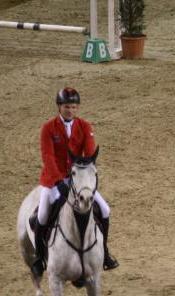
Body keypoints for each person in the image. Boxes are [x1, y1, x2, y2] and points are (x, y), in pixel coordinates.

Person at [31, 87, 119, 276]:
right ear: (59, 107)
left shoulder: (85, 127)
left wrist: (85, 175)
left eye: (73, 107)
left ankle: (105, 253)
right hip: (53, 180)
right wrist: (58, 181)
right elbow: (48, 157)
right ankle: (39, 258)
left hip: (78, 179)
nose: (70, 110)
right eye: (66, 107)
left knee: (105, 209)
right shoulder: (48, 128)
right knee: (43, 215)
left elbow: (89, 154)